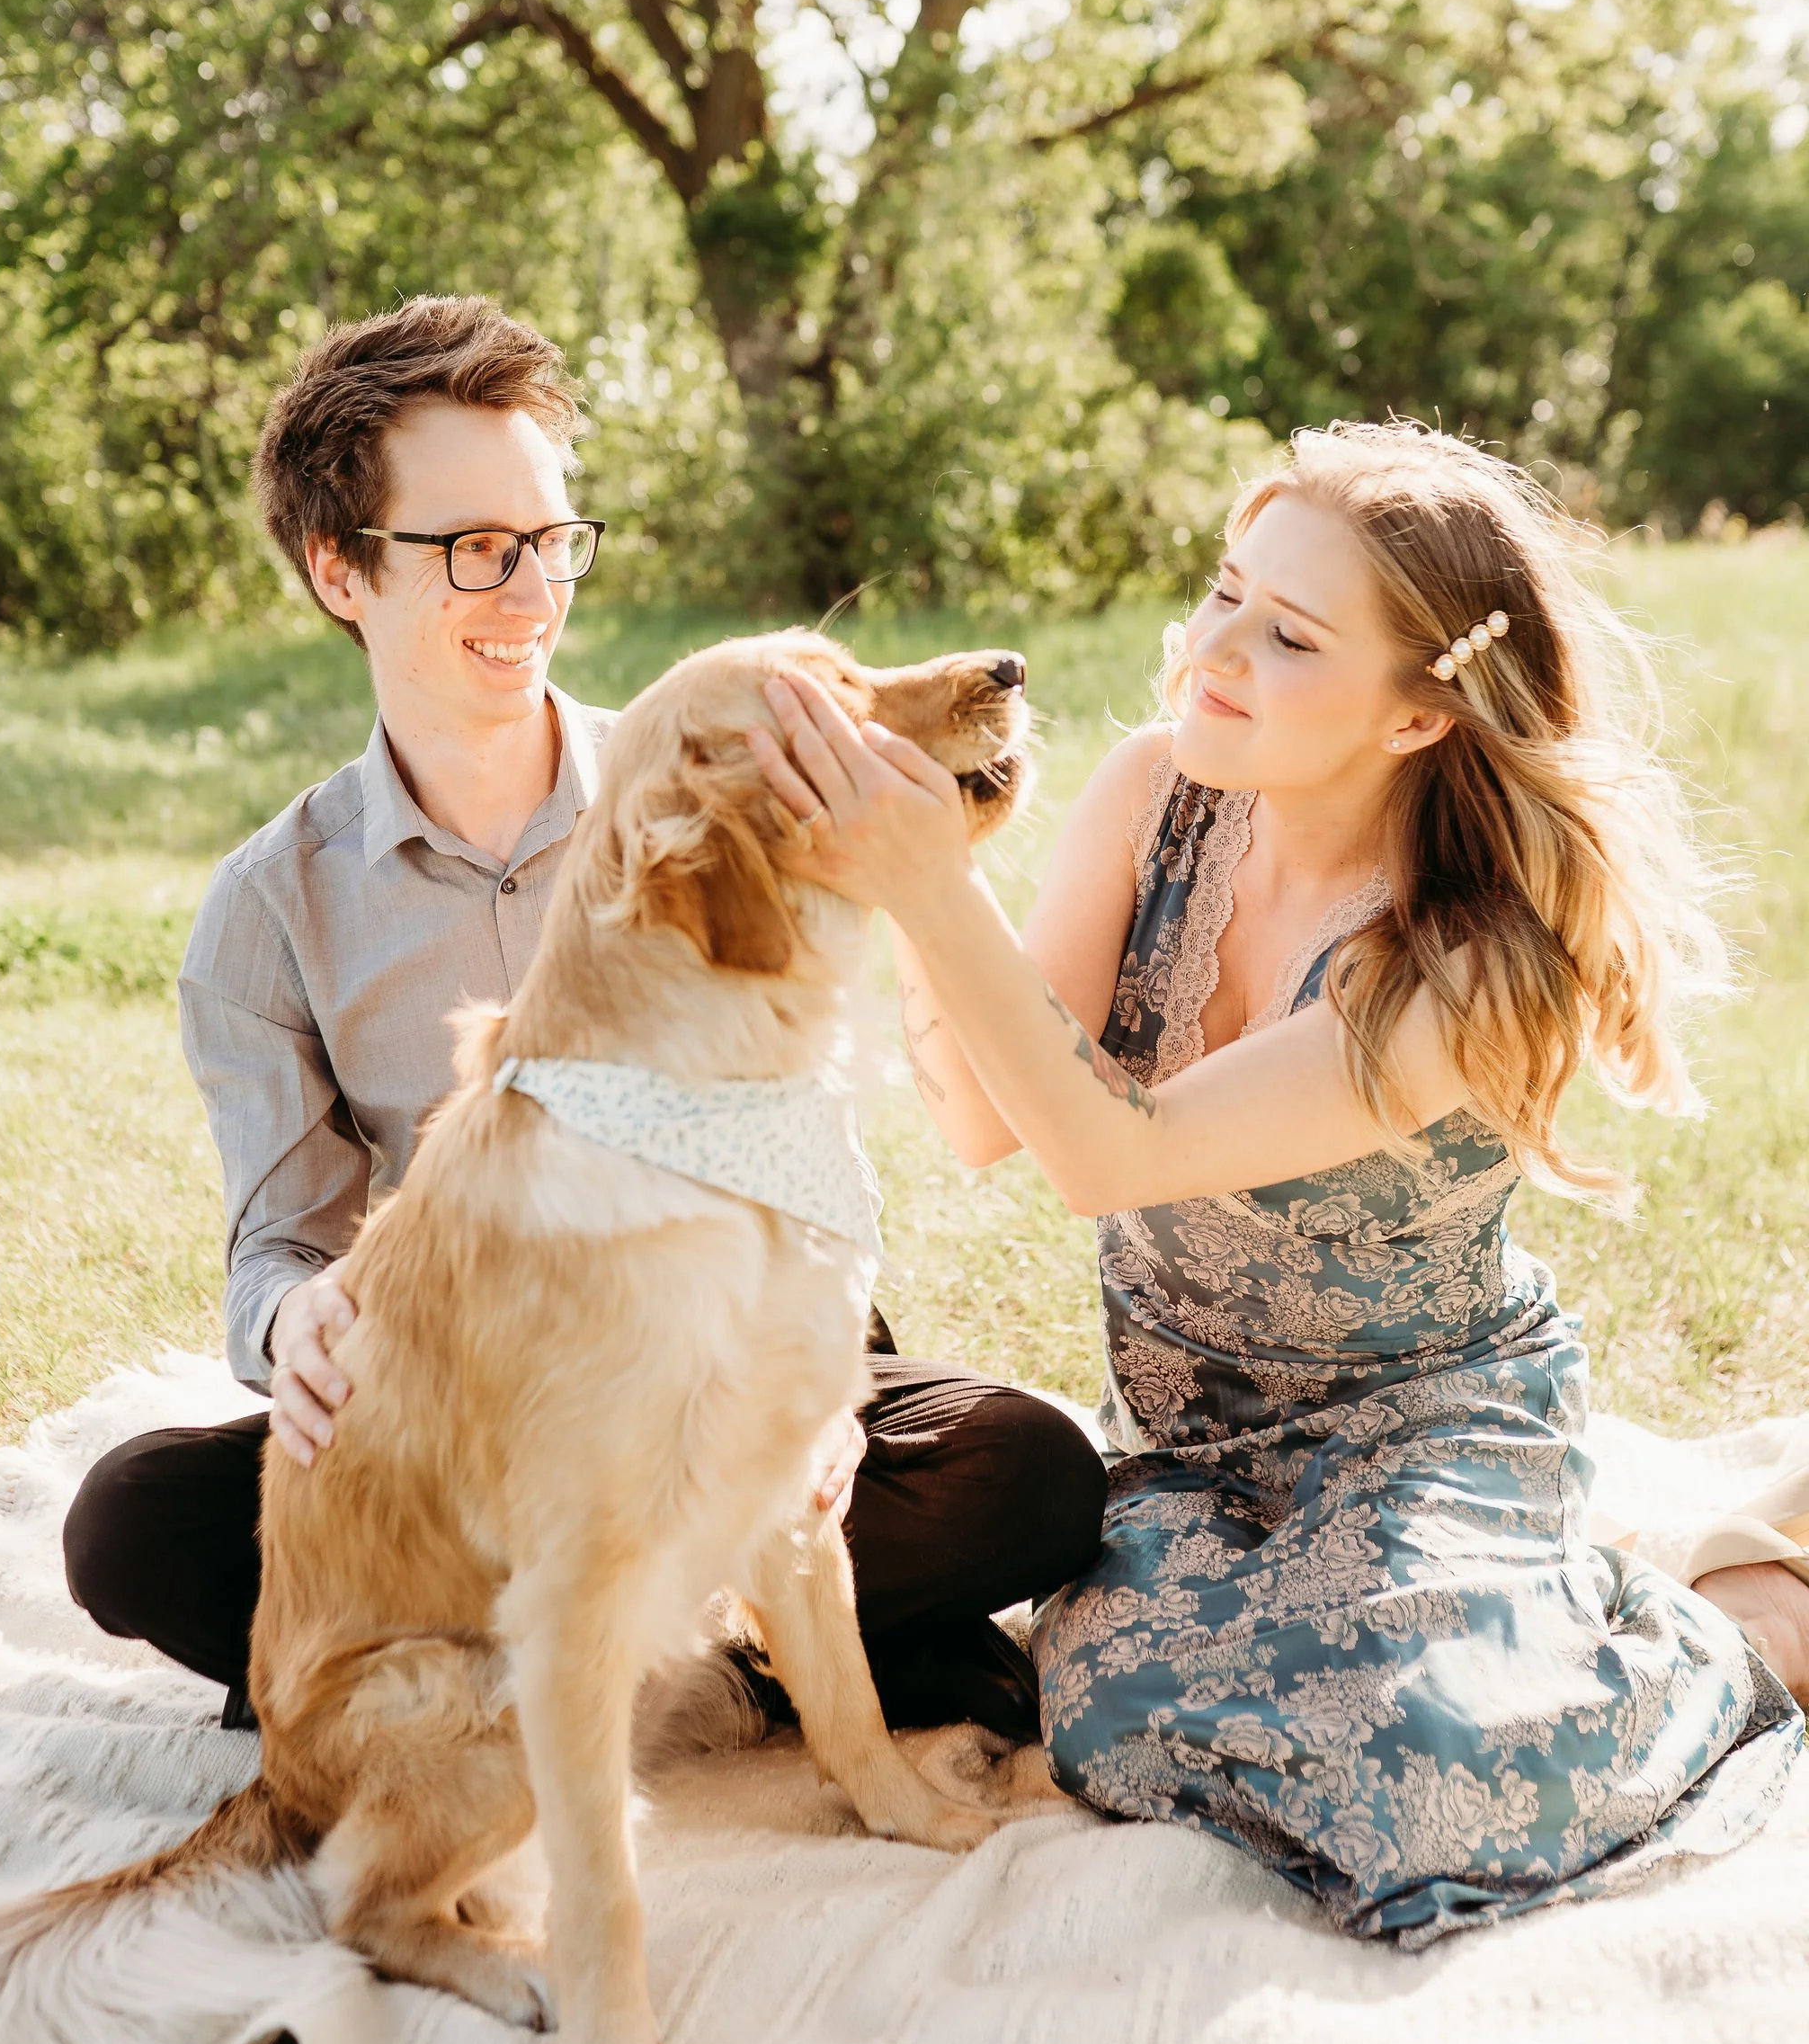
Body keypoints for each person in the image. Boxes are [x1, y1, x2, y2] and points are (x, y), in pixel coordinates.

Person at [751, 418, 1805, 1943]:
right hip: (1188, 1433)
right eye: (1228, 592)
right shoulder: (1156, 794)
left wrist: (934, 880)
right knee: (1110, 1717)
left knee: (1427, 1774)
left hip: (1423, 1414)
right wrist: (931, 880)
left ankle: (1746, 1619)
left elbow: (1117, 1151)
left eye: (1292, 636)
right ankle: (1516, 1613)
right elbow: (987, 1120)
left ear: (1416, 719)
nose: (1217, 651)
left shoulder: (1470, 961)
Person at [61, 295, 1107, 1741]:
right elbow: (283, 1240)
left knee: (1034, 1468)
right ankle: (653, 1651)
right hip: (499, 1417)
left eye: (554, 541)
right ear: (340, 570)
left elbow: (861, 1074)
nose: (534, 590)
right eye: (476, 550)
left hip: (745, 1349)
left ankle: (637, 1652)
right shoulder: (269, 909)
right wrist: (295, 1313)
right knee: (127, 1522)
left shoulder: (699, 762)